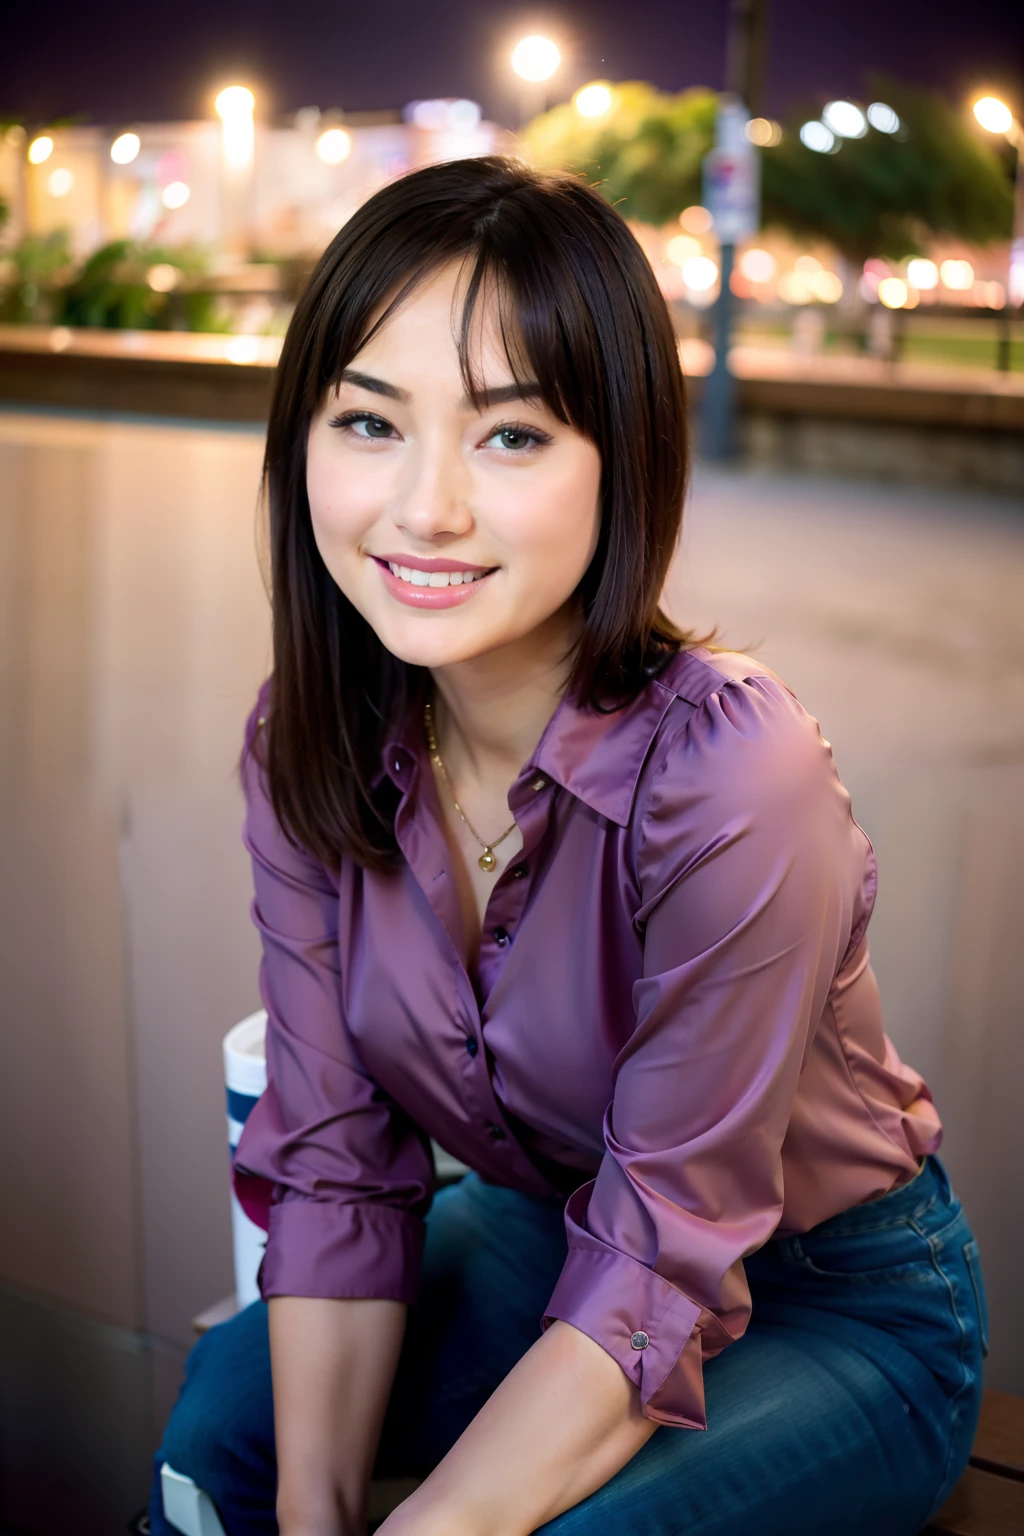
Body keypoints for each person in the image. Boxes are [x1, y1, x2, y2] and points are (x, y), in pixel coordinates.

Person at [150, 157, 987, 1536]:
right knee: (221, 1434)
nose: (424, 509)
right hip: (552, 1234)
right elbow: (337, 1162)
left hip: (834, 1300)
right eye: (369, 422)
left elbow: (666, 1254)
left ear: (624, 462)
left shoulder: (731, 775)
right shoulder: (309, 738)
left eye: (511, 436)